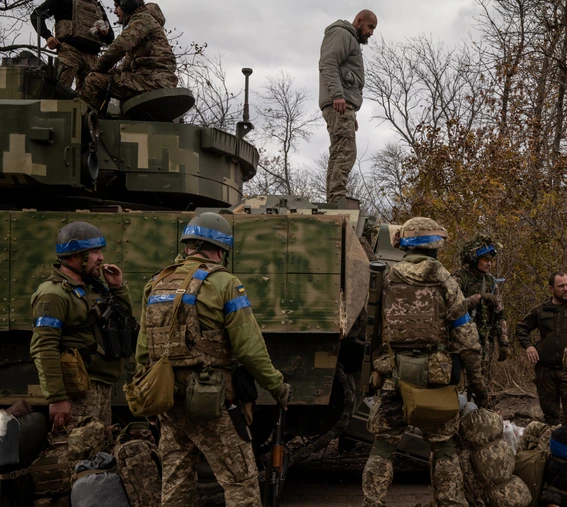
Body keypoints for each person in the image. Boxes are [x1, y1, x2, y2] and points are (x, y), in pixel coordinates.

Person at [134, 212, 290, 506]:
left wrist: (150, 402)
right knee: (240, 482)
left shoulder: (156, 282)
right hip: (211, 400)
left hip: (168, 399)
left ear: (189, 245)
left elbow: (144, 350)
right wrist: (278, 386)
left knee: (176, 483)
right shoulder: (225, 283)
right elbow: (249, 349)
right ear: (220, 249)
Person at [363, 217, 487, 507]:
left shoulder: (388, 278)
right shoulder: (446, 281)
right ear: (435, 247)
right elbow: (467, 339)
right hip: (436, 378)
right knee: (444, 447)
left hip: (393, 374)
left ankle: (373, 502)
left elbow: (373, 330)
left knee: (382, 447)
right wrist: (479, 386)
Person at [30, 221, 130, 434]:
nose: (101, 258)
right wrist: (57, 398)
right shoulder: (53, 294)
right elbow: (44, 347)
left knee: (99, 457)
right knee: (77, 457)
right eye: (95, 251)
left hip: (100, 387)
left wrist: (117, 288)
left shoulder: (94, 288)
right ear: (76, 256)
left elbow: (125, 322)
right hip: (78, 390)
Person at [318, 9, 377, 203]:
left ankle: (334, 200)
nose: (371, 32)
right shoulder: (342, 34)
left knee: (339, 151)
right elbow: (328, 63)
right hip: (338, 103)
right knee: (346, 152)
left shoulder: (350, 39)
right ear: (359, 21)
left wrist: (351, 112)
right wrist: (338, 96)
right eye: (370, 27)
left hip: (343, 107)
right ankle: (337, 200)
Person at [81, 0, 176, 111]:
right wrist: (108, 73)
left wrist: (96, 70)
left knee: (93, 80)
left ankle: (88, 124)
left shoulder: (142, 19)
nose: (115, 12)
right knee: (106, 78)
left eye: (117, 7)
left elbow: (118, 47)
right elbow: (126, 65)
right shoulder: (144, 24)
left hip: (153, 81)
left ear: (126, 5)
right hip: (153, 81)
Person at [516, 271, 567, 425]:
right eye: (561, 286)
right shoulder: (540, 310)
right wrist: (529, 346)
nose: (566, 289)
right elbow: (521, 328)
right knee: (550, 415)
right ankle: (550, 444)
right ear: (551, 288)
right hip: (545, 370)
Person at [453, 235, 510, 388]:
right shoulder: (459, 279)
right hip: (462, 340)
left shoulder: (491, 282)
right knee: (460, 380)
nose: (489, 264)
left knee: (482, 380)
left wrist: (503, 342)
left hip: (485, 340)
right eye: (485, 260)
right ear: (474, 259)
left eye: (490, 260)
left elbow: (500, 313)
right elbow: (453, 308)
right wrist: (478, 297)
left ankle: (480, 408)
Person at [31, 0, 114, 93]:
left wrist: (105, 34)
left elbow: (110, 38)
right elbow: (36, 15)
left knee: (91, 96)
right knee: (60, 90)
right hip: (70, 51)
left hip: (92, 56)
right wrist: (47, 36)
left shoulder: (97, 7)